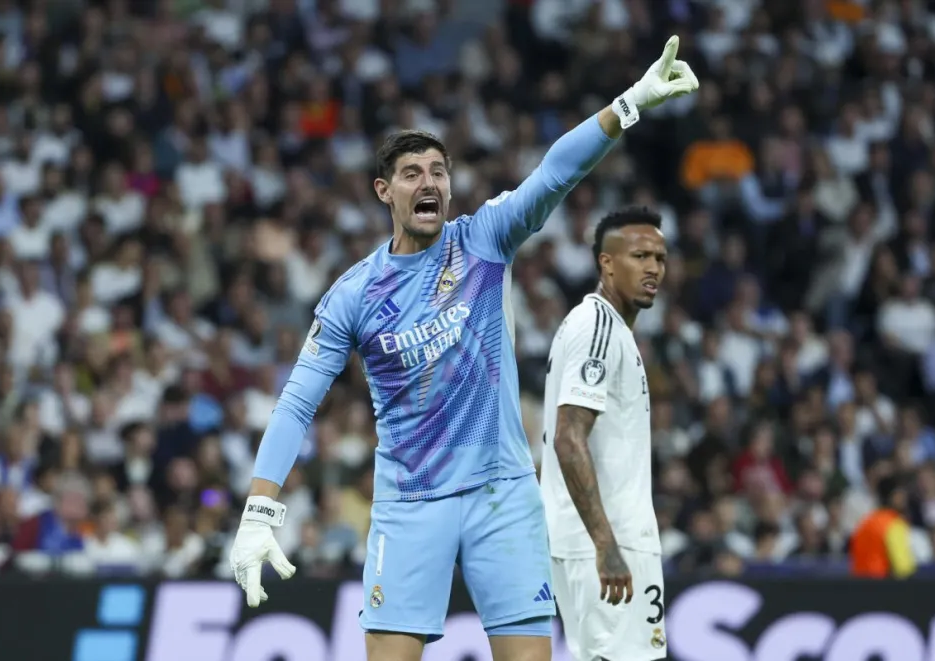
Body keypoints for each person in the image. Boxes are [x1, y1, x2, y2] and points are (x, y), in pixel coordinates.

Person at [228, 37, 698, 661]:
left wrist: (631, 102)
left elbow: (555, 172)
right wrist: (261, 507)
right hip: (408, 502)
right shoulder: (354, 294)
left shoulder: (483, 241)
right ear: (383, 191)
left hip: (501, 494)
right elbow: (297, 401)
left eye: (439, 172)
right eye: (412, 173)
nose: (429, 182)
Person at [540, 206, 669, 661]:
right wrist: (606, 544)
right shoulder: (596, 328)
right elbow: (568, 436)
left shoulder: (610, 330)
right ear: (606, 263)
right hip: (606, 544)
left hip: (607, 540)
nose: (653, 267)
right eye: (639, 256)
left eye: (659, 257)